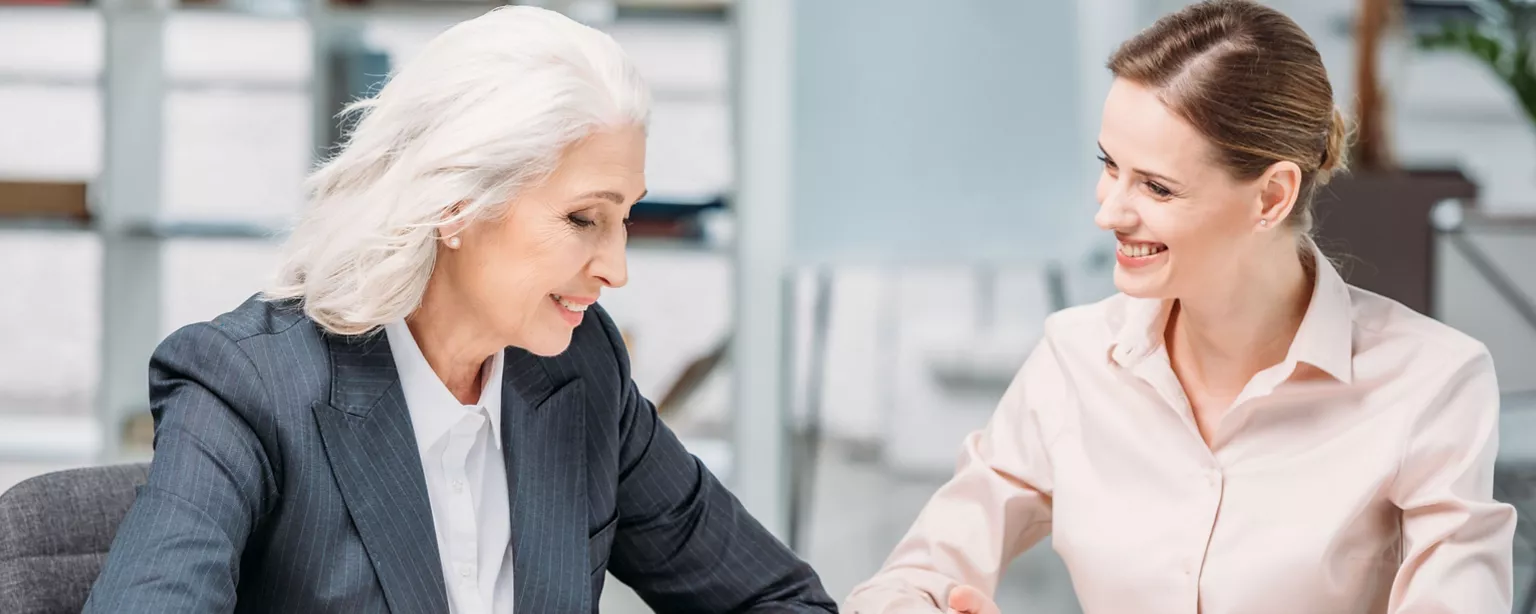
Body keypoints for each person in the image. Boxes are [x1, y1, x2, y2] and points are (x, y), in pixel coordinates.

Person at [84, 7, 835, 613]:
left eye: (625, 217)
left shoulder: (578, 369)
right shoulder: (248, 385)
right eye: (584, 219)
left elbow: (777, 598)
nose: (616, 268)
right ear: (456, 206)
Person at [843, 1, 1516, 613]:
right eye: (1110, 165)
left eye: (1157, 188)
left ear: (1271, 197)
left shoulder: (1431, 384)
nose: (1108, 212)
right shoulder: (1076, 359)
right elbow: (912, 576)